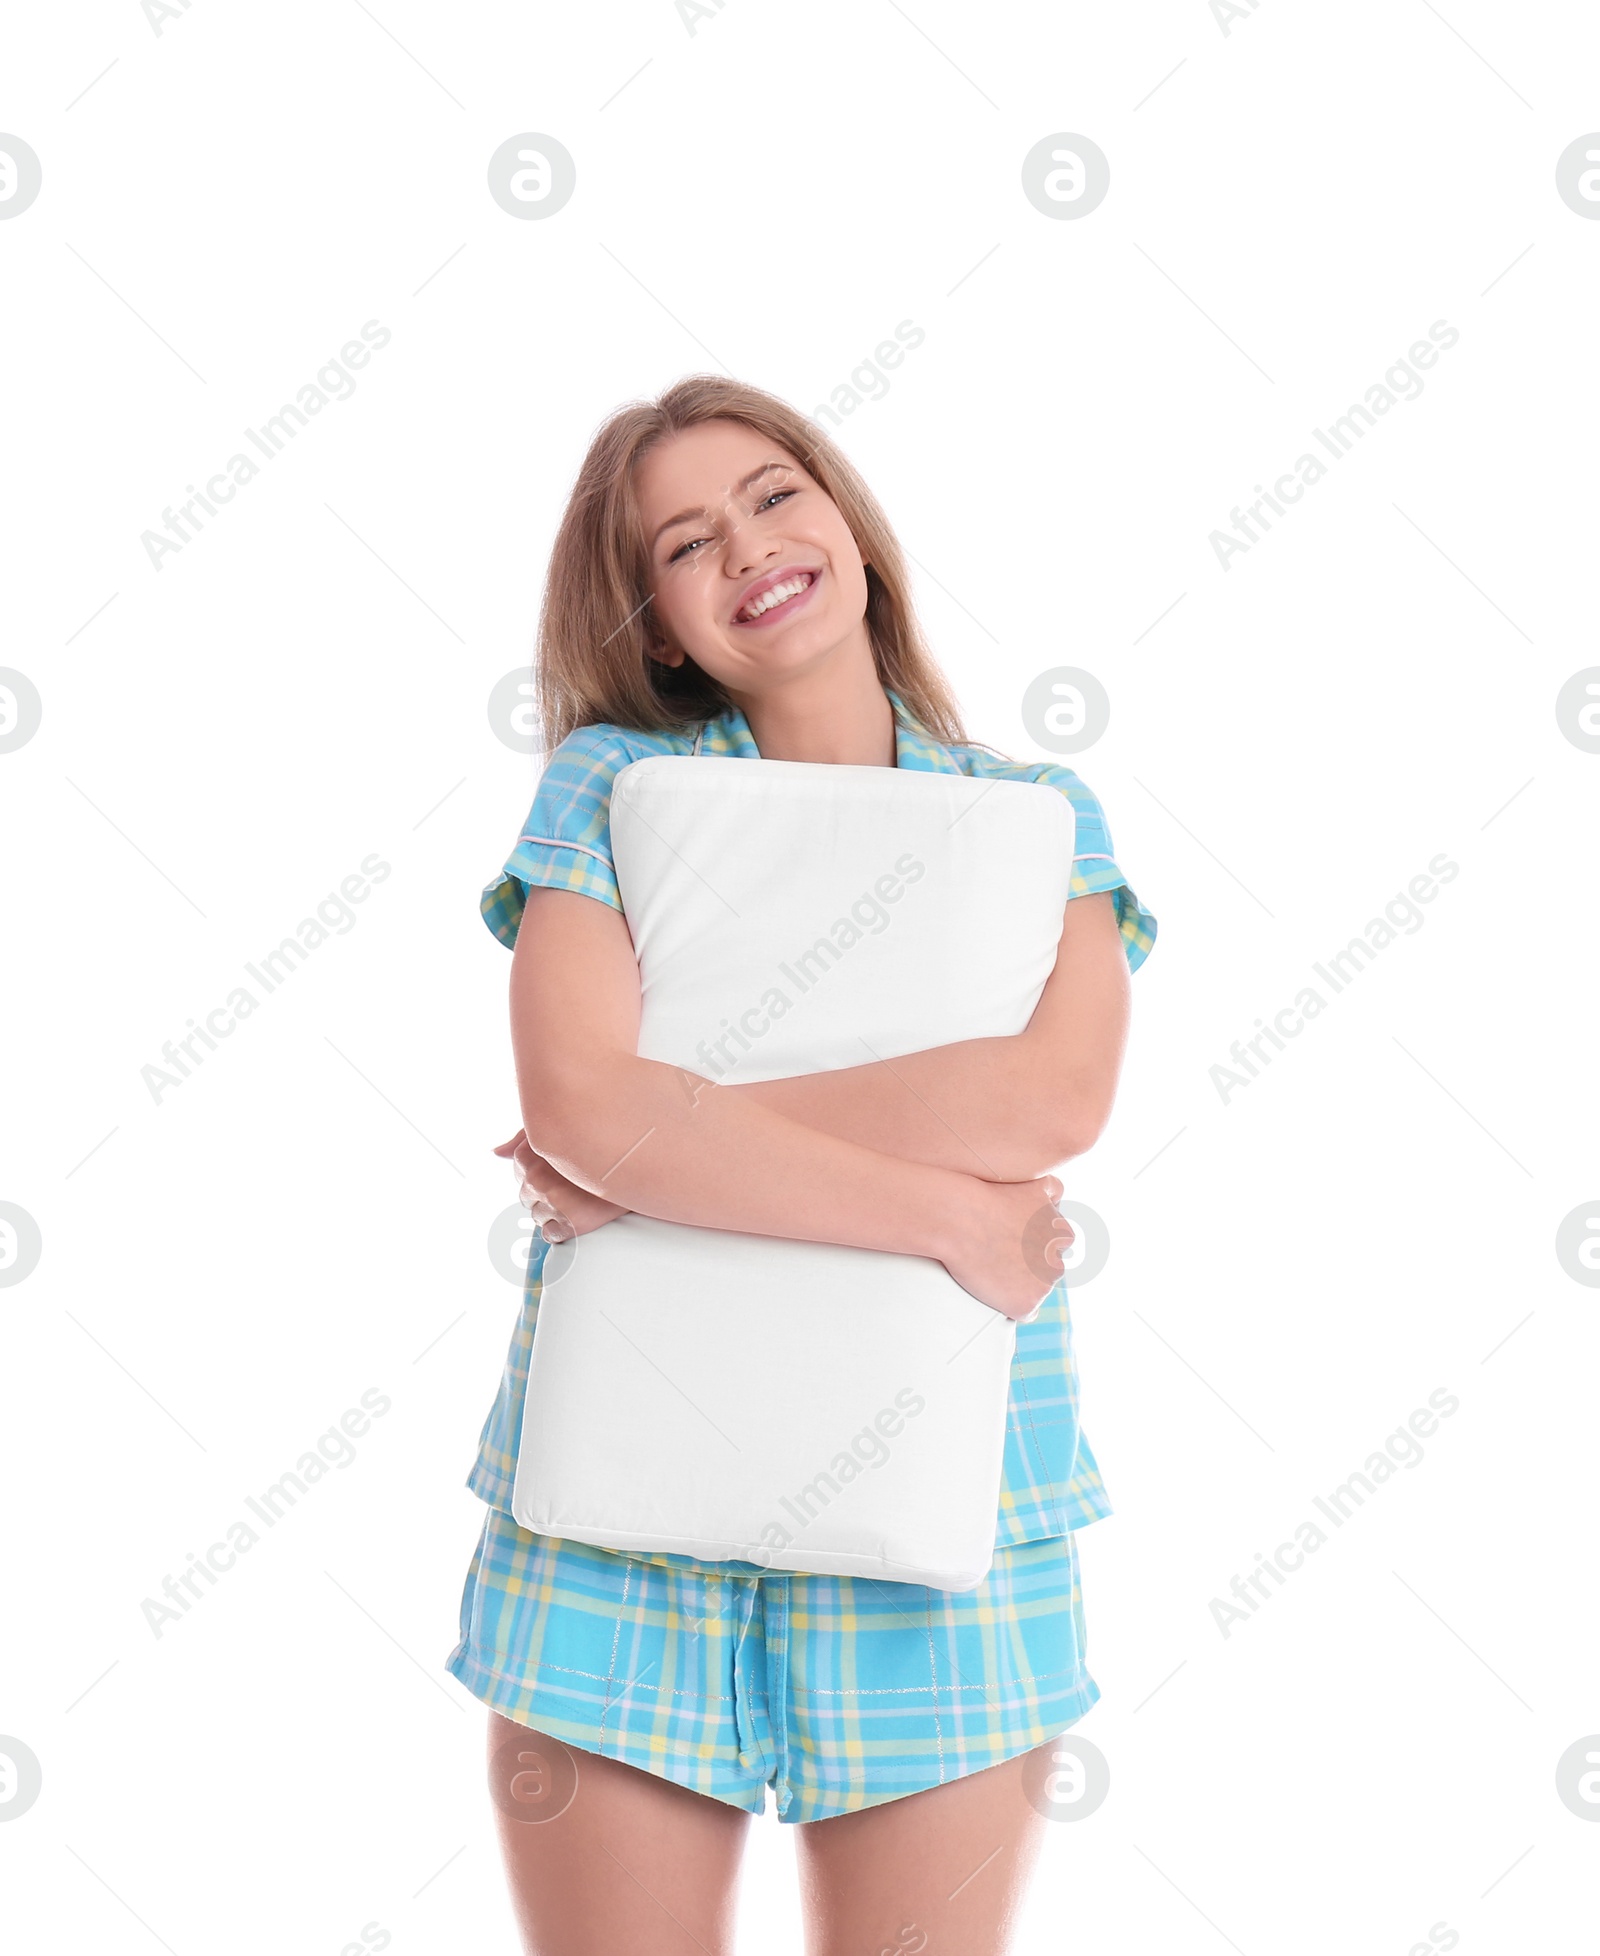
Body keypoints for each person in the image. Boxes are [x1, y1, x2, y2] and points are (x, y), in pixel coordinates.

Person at [447, 375, 1158, 1954]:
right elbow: (573, 1091)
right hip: (614, 1534)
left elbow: (1050, 1098)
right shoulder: (610, 790)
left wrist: (657, 1152)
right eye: (686, 541)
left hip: (963, 1518)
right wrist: (931, 1210)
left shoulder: (1039, 815)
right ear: (658, 624)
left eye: (774, 493)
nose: (751, 546)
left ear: (843, 516)